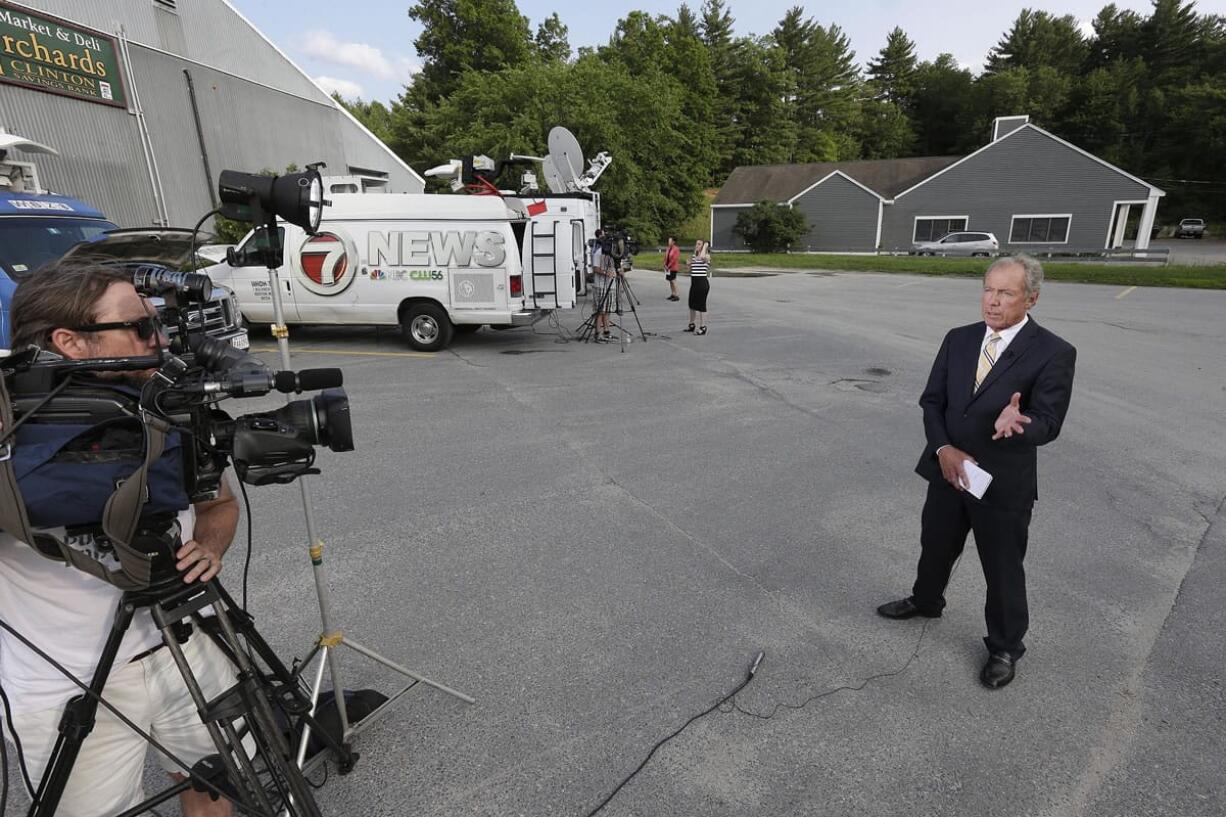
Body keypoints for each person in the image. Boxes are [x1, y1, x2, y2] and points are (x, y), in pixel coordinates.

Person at [0, 263, 240, 816]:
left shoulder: (158, 409)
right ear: (70, 342)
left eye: (155, 324)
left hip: (179, 640)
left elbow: (219, 503)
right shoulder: (9, 436)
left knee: (219, 782)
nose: (158, 341)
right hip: (65, 684)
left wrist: (211, 546)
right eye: (139, 328)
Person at [877, 255, 1076, 689]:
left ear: (1032, 298)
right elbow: (932, 402)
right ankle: (926, 601)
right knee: (935, 544)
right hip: (949, 470)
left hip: (1002, 482)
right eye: (988, 289)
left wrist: (1021, 425)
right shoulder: (959, 339)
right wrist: (944, 449)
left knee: (1002, 566)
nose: (993, 301)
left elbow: (1049, 421)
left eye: (1006, 293)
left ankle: (1005, 646)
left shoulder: (1054, 352)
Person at [685, 240, 711, 335]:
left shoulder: (707, 256)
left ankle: (703, 327)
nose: (696, 245)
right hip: (694, 283)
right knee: (691, 304)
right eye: (696, 243)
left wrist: (705, 246)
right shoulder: (694, 257)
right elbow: (690, 270)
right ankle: (691, 324)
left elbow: (703, 257)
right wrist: (688, 265)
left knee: (701, 306)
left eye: (699, 244)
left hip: (702, 284)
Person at [663, 237, 680, 301]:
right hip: (668, 267)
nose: (669, 242)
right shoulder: (668, 248)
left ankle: (677, 295)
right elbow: (666, 256)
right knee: (670, 281)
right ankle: (673, 293)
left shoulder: (676, 249)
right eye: (668, 241)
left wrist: (669, 266)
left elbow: (674, 259)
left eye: (670, 241)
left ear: (673, 242)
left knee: (673, 280)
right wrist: (664, 264)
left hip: (673, 267)